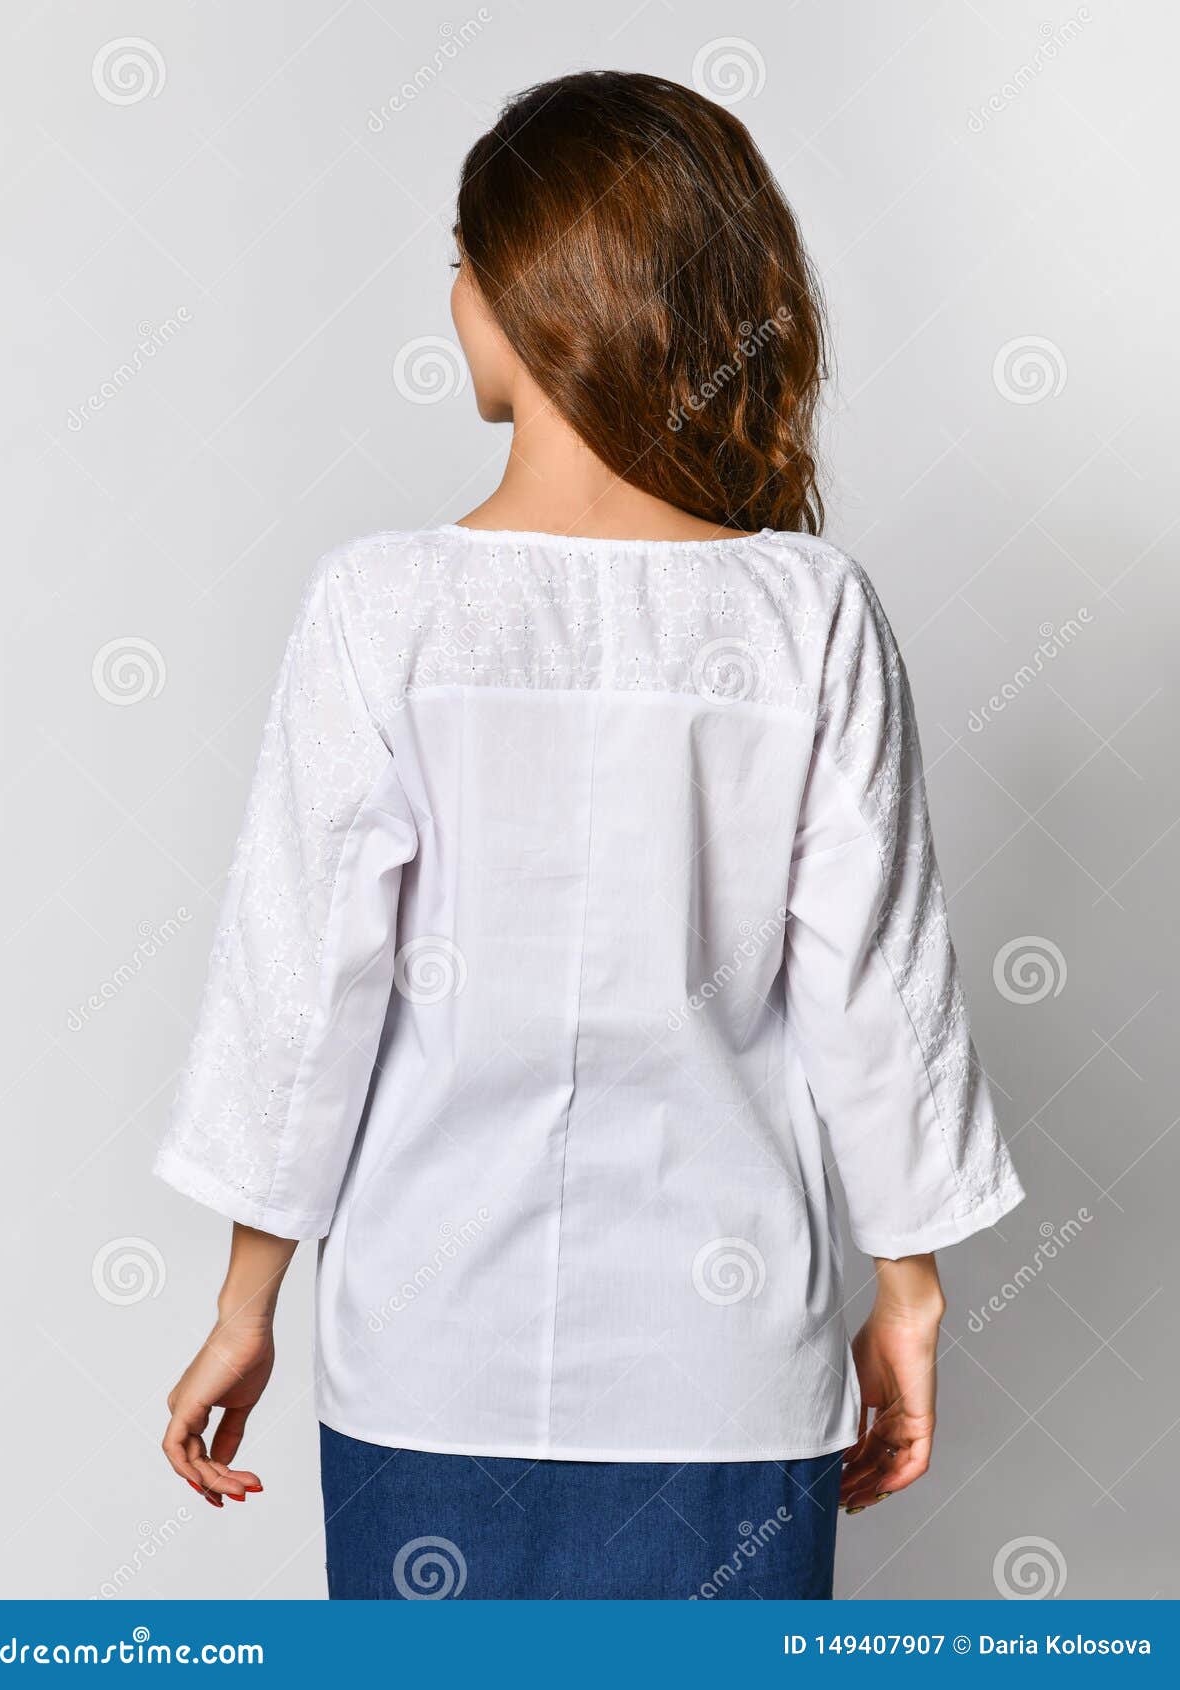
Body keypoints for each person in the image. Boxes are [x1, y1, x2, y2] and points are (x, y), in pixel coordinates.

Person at [156, 69, 1023, 1600]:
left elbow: (302, 986)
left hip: (429, 1357)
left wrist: (245, 1295)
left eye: (466, 260)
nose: (448, 294)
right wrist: (911, 1291)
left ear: (524, 301)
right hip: (726, 1371)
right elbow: (879, 999)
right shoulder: (806, 615)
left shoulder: (385, 605)